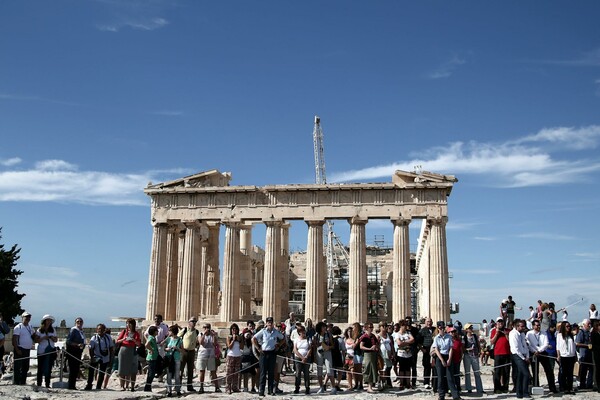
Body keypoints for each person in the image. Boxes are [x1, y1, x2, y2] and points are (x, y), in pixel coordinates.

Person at [252, 316, 285, 397]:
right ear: (266, 323)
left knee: (271, 373)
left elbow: (283, 338)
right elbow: (253, 338)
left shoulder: (276, 332)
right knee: (263, 373)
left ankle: (270, 390)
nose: (270, 323)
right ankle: (261, 390)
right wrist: (258, 348)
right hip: (264, 353)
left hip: (272, 353)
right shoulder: (263, 331)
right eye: (268, 322)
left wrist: (279, 345)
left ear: (273, 323)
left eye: (271, 322)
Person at [431, 320, 461, 400]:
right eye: (440, 327)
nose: (442, 329)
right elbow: (436, 350)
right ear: (438, 328)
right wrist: (442, 360)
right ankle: (441, 396)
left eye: (443, 327)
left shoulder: (449, 336)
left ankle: (456, 396)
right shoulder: (436, 338)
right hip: (439, 357)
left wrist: (449, 359)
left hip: (448, 356)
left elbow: (451, 348)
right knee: (440, 377)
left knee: (450, 377)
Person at [525, 319, 557, 393]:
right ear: (533, 326)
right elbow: (528, 344)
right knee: (535, 371)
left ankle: (552, 387)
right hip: (533, 353)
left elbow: (546, 343)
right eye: (536, 325)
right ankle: (536, 386)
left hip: (542, 352)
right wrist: (534, 351)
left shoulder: (544, 333)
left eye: (539, 325)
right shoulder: (529, 333)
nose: (538, 326)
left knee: (549, 370)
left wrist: (539, 351)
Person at [116, 318, 141, 391]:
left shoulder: (136, 333)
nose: (128, 325)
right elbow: (118, 341)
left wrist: (133, 340)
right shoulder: (124, 332)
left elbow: (139, 343)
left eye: (130, 323)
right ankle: (122, 386)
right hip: (123, 350)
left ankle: (131, 386)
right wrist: (124, 339)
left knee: (132, 370)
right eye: (127, 323)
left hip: (132, 350)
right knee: (122, 369)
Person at [86, 323, 113, 391]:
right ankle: (89, 384)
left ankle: (99, 386)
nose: (100, 330)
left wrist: (110, 357)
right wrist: (92, 357)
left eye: (101, 329)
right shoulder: (94, 338)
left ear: (104, 330)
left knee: (102, 372)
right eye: (99, 329)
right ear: (97, 330)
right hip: (96, 356)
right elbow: (91, 348)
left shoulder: (108, 337)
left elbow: (111, 347)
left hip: (105, 357)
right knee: (91, 371)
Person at [196, 322, 220, 393]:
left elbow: (215, 344)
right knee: (202, 372)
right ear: (203, 328)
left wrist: (213, 336)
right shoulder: (200, 334)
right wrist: (204, 334)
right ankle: (201, 387)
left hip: (211, 355)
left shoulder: (212, 335)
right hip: (202, 355)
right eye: (205, 327)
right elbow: (201, 343)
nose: (207, 329)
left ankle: (217, 387)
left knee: (213, 372)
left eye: (208, 327)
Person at [34, 314, 58, 388]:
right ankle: (39, 383)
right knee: (40, 368)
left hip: (50, 350)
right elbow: (36, 340)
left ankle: (47, 383)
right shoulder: (39, 330)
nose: (49, 322)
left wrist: (52, 338)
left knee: (49, 367)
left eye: (50, 320)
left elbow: (56, 340)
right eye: (47, 320)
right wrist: (44, 338)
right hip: (42, 351)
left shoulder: (53, 330)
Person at [509, 319, 530, 399]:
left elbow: (525, 345)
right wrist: (523, 358)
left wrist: (527, 356)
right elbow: (515, 348)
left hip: (524, 355)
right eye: (521, 326)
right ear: (517, 326)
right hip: (517, 356)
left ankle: (520, 393)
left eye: (524, 326)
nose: (523, 328)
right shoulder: (513, 334)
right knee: (526, 374)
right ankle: (525, 392)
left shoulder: (522, 334)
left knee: (521, 374)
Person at [144, 314, 169, 382]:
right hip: (152, 345)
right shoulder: (151, 326)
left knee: (160, 361)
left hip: (160, 345)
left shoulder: (164, 327)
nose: (156, 320)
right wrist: (148, 341)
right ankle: (150, 376)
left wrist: (163, 342)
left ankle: (160, 377)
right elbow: (145, 334)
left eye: (158, 319)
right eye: (155, 319)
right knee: (152, 360)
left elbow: (168, 335)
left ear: (161, 320)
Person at [12, 311, 34, 385]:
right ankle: (17, 381)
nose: (27, 318)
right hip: (20, 348)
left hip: (27, 349)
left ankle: (23, 381)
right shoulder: (18, 327)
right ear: (22, 318)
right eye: (26, 317)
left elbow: (33, 335)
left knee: (25, 366)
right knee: (18, 366)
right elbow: (14, 339)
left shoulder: (30, 327)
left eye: (29, 317)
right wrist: (17, 349)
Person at [490, 317, 511, 394]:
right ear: (496, 323)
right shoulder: (493, 331)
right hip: (498, 353)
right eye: (499, 322)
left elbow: (511, 341)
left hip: (507, 353)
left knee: (506, 371)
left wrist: (506, 335)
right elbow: (492, 341)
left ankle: (505, 387)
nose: (500, 323)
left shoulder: (508, 330)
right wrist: (497, 333)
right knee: (497, 372)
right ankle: (497, 388)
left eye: (501, 322)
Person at [313, 320, 334, 394]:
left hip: (327, 352)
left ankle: (333, 388)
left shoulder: (328, 334)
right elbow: (314, 346)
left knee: (329, 370)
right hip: (319, 353)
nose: (325, 328)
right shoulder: (316, 335)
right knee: (319, 371)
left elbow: (332, 345)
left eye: (325, 326)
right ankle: (321, 387)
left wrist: (329, 347)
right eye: (323, 327)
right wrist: (314, 356)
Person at [178, 317, 198, 393]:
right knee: (181, 369)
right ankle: (178, 386)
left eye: (195, 321)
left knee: (190, 370)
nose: (194, 323)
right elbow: (178, 337)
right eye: (192, 321)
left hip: (192, 352)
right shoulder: (184, 330)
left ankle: (189, 386)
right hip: (184, 351)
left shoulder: (197, 331)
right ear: (189, 322)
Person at [462, 323, 483, 394]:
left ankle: (479, 388)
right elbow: (463, 348)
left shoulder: (475, 336)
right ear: (466, 330)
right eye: (469, 328)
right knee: (467, 372)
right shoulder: (464, 338)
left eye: (471, 327)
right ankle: (468, 388)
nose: (471, 328)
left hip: (475, 356)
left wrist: (479, 351)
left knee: (477, 372)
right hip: (467, 356)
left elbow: (478, 345)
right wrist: (469, 349)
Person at [557, 321, 577, 394]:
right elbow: (558, 347)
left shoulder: (571, 335)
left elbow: (574, 346)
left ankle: (570, 387)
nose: (568, 328)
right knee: (563, 373)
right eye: (567, 326)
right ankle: (563, 387)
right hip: (563, 356)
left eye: (569, 326)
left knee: (570, 373)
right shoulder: (559, 335)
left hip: (571, 355)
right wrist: (558, 355)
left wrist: (575, 356)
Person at [66, 317, 86, 390]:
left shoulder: (81, 331)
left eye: (81, 321)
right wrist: (77, 345)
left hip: (78, 352)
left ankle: (72, 385)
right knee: (72, 369)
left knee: (76, 369)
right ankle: (71, 385)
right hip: (72, 352)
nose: (79, 323)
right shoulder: (74, 330)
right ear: (75, 323)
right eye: (78, 321)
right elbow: (68, 341)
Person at [360, 322, 379, 393]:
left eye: (372, 327)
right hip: (367, 354)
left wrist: (376, 347)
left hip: (374, 354)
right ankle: (369, 386)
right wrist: (369, 349)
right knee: (368, 369)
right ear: (366, 328)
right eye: (370, 327)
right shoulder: (364, 336)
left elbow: (376, 343)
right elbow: (361, 346)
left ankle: (372, 385)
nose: (371, 328)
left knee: (373, 369)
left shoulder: (373, 336)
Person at [395, 320, 414, 390]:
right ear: (401, 326)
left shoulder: (408, 333)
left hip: (408, 354)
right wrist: (407, 342)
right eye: (404, 326)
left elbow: (413, 339)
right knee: (402, 369)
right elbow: (399, 343)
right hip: (401, 354)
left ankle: (408, 383)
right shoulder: (397, 334)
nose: (406, 327)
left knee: (408, 369)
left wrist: (404, 342)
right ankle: (402, 383)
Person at [225, 323, 244, 394]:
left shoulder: (240, 337)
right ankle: (228, 387)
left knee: (236, 373)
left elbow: (242, 347)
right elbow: (229, 347)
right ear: (231, 330)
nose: (234, 330)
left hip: (238, 356)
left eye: (235, 329)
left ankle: (235, 387)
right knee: (229, 372)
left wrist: (239, 340)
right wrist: (233, 340)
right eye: (233, 329)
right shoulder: (229, 337)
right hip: (230, 356)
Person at [292, 326, 311, 394]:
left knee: (306, 373)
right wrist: (302, 357)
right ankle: (297, 387)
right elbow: (294, 349)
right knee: (298, 373)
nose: (303, 333)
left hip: (306, 357)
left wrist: (306, 357)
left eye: (304, 331)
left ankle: (307, 387)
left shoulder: (308, 339)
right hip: (298, 357)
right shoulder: (296, 339)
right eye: (302, 331)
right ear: (299, 332)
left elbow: (310, 348)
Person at [165, 325, 183, 396]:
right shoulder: (168, 339)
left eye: (170, 330)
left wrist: (177, 348)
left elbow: (183, 350)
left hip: (177, 359)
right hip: (169, 359)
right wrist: (167, 349)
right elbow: (164, 348)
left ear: (173, 331)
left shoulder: (180, 340)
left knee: (177, 375)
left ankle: (178, 390)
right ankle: (169, 391)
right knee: (169, 375)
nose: (168, 332)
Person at [576, 319, 593, 390]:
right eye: (588, 324)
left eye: (590, 324)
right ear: (584, 325)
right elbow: (577, 343)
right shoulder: (581, 332)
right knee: (583, 371)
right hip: (583, 354)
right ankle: (582, 384)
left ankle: (589, 384)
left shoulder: (589, 333)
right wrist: (587, 345)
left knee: (592, 369)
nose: (589, 325)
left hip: (590, 354)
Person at [420, 318, 436, 389]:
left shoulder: (435, 330)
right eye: (427, 322)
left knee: (435, 367)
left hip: (435, 351)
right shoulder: (422, 331)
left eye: (430, 322)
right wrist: (422, 349)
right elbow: (418, 341)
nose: (429, 323)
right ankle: (426, 382)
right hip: (426, 350)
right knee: (426, 367)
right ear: (425, 323)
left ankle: (434, 383)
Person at [241, 327, 258, 392]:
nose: (247, 336)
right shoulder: (242, 341)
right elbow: (241, 348)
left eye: (249, 334)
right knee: (245, 373)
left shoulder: (252, 340)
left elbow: (254, 349)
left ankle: (253, 387)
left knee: (253, 373)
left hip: (252, 357)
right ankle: (245, 387)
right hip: (244, 357)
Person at [378, 323, 394, 389]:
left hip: (389, 354)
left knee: (389, 368)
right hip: (382, 354)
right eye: (383, 326)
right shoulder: (378, 336)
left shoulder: (388, 335)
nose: (384, 327)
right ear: (380, 327)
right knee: (382, 369)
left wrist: (393, 353)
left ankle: (387, 382)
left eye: (385, 326)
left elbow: (391, 345)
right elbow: (377, 345)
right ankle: (383, 383)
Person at [144, 325, 159, 392]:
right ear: (154, 331)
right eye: (156, 331)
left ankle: (148, 387)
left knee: (151, 373)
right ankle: (147, 386)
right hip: (151, 358)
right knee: (151, 373)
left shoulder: (153, 338)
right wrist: (151, 349)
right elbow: (146, 344)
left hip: (154, 357)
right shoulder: (151, 338)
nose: (158, 331)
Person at [351, 322, 364, 391]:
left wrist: (353, 345)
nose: (352, 329)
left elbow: (355, 345)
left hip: (359, 354)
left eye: (353, 327)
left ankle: (360, 384)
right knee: (355, 370)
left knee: (359, 370)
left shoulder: (359, 335)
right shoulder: (355, 336)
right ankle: (356, 384)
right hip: (355, 354)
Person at [591, 321, 600, 393]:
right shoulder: (593, 333)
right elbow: (593, 345)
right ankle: (598, 386)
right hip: (597, 354)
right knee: (598, 370)